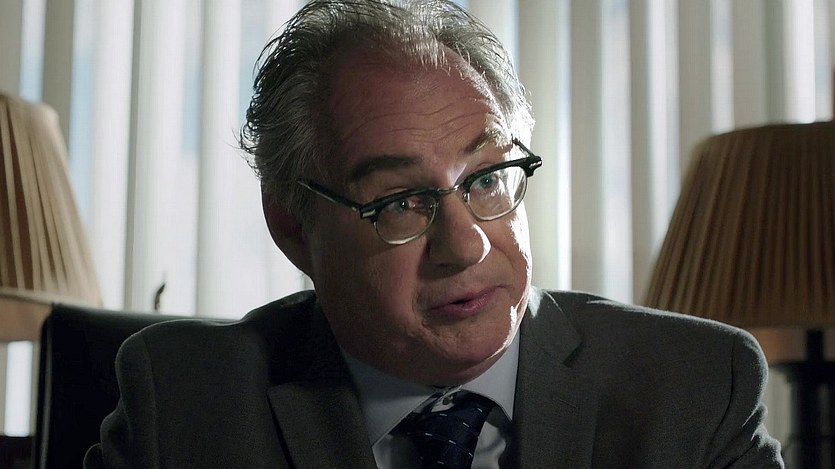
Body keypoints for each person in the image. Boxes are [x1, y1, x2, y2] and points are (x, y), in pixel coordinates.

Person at [85, 0, 784, 467]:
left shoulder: (693, 386)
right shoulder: (186, 401)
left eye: (487, 179)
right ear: (292, 226)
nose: (466, 245)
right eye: (401, 201)